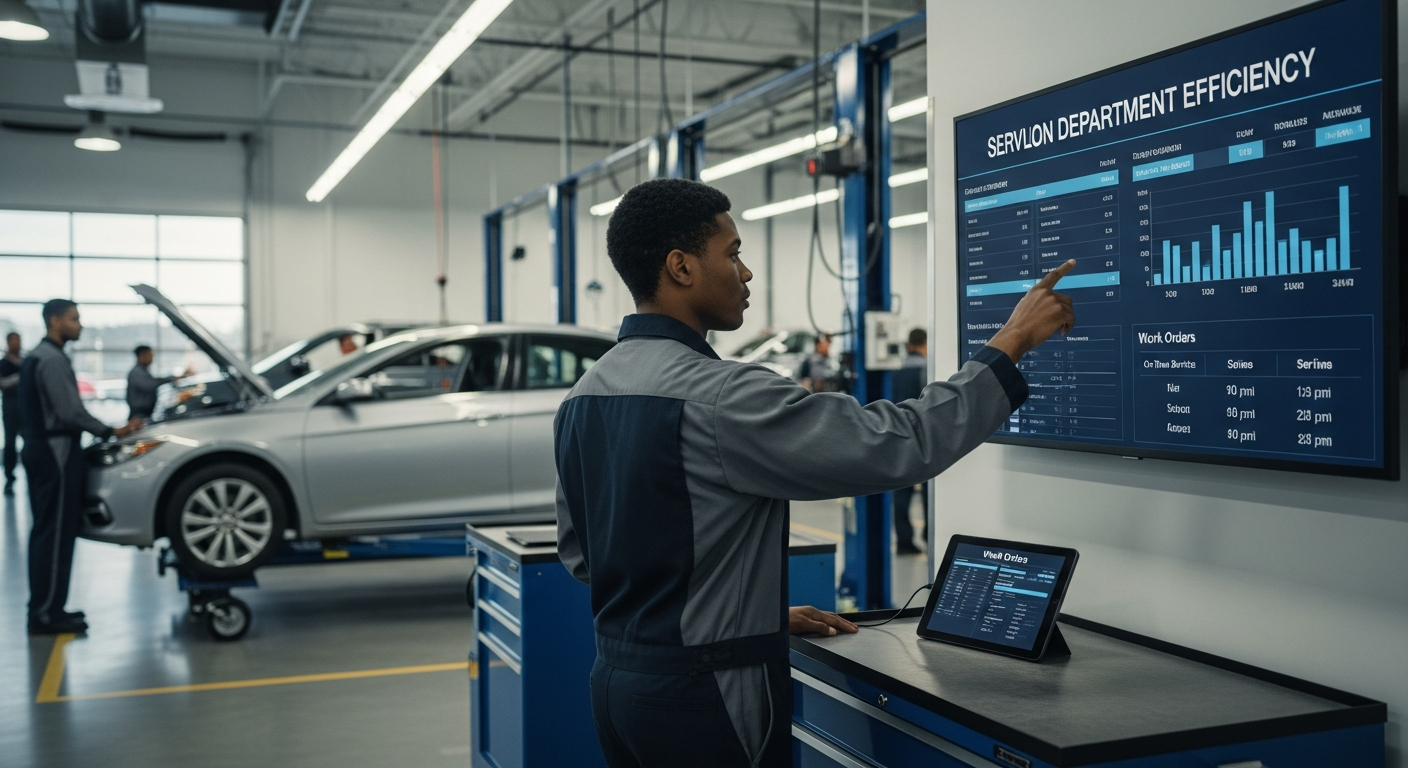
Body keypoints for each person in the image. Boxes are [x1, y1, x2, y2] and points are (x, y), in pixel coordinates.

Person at [554, 179, 1075, 768]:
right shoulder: (722, 397)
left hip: (617, 688)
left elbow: (585, 558)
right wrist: (1010, 343)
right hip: (707, 696)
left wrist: (747, 615)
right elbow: (898, 442)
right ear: (680, 267)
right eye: (732, 254)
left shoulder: (583, 396)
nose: (746, 273)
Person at [20, 300, 141, 634]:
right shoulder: (52, 360)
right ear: (55, 321)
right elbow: (70, 413)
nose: (80, 324)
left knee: (47, 532)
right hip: (55, 452)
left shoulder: (37, 357)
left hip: (43, 449)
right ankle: (46, 614)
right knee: (56, 533)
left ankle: (47, 608)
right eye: (74, 319)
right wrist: (111, 431)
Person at [889, 327, 929, 555]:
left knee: (901, 490)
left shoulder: (894, 366)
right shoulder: (925, 367)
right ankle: (928, 533)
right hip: (921, 436)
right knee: (928, 488)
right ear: (923, 343)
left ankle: (904, 541)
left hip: (896, 436)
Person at [125, 345, 192, 422]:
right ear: (142, 355)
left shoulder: (143, 371)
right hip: (139, 415)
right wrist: (170, 379)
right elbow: (150, 385)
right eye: (150, 355)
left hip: (144, 413)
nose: (152, 358)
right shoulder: (137, 373)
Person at [1, 332, 22, 496]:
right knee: (10, 444)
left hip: (26, 408)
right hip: (10, 408)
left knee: (30, 441)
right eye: (14, 341)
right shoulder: (4, 364)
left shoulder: (25, 362)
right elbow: (2, 384)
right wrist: (21, 378)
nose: (17, 343)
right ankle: (10, 478)